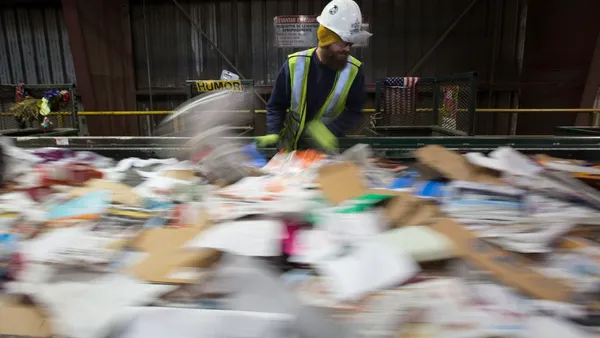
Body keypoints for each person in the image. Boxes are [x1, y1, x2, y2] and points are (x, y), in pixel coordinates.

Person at [256, 0, 372, 152]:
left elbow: (354, 110)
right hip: (292, 148)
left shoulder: (354, 70)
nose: (347, 49)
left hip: (327, 150)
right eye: (342, 42)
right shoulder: (294, 64)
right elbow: (277, 105)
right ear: (325, 39)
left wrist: (331, 130)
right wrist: (274, 132)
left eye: (350, 43)